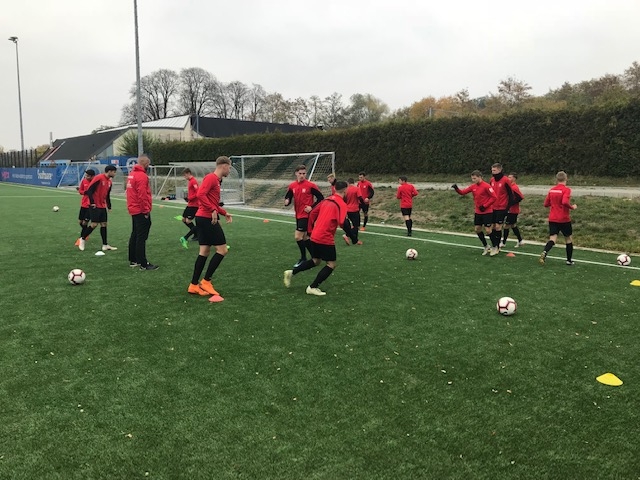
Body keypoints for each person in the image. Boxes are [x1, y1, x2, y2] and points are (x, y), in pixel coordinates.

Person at [284, 180, 349, 296]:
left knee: (316, 260)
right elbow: (342, 222)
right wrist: (352, 235)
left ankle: (292, 272)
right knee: (331, 264)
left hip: (314, 235)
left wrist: (310, 231)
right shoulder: (341, 203)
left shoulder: (326, 200)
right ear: (345, 190)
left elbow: (312, 213)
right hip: (325, 237)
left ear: (334, 189)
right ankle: (312, 287)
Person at [188, 156, 233, 300]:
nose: (229, 170)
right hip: (207, 219)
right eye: (229, 167)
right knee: (222, 250)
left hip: (203, 217)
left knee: (204, 251)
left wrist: (224, 213)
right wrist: (212, 210)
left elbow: (212, 202)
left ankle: (193, 285)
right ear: (224, 166)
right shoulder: (211, 178)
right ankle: (206, 281)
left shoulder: (216, 181)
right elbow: (200, 194)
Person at [284, 165, 324, 267]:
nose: (302, 175)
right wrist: (287, 201)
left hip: (306, 215)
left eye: (304, 173)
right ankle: (315, 257)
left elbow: (321, 198)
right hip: (298, 215)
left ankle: (303, 258)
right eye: (300, 173)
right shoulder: (292, 185)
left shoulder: (310, 185)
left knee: (298, 237)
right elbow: (289, 195)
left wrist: (312, 207)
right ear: (296, 173)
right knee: (305, 237)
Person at [452, 170, 497, 255]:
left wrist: (485, 206)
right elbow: (463, 192)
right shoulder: (473, 186)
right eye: (472, 178)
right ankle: (486, 246)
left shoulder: (486, 186)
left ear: (480, 177)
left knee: (488, 230)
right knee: (477, 229)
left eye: (475, 178)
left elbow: (494, 197)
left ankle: (495, 246)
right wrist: (456, 188)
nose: (473, 180)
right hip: (478, 212)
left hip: (487, 212)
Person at [126, 154, 158, 270]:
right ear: (146, 164)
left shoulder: (132, 174)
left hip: (133, 208)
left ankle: (133, 259)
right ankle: (143, 263)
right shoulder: (141, 176)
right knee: (141, 236)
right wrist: (146, 210)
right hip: (140, 209)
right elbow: (142, 195)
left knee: (135, 233)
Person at [539, 171, 578, 266]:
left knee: (553, 238)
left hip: (553, 218)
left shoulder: (552, 190)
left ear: (556, 179)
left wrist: (554, 204)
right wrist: (572, 207)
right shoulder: (566, 190)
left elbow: (546, 204)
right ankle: (569, 260)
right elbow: (564, 202)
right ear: (566, 178)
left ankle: (545, 251)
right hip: (564, 218)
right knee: (568, 239)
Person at [79, 165, 117, 252]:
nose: (115, 174)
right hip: (94, 205)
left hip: (102, 206)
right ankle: (82, 238)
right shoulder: (99, 178)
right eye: (114, 172)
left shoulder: (109, 182)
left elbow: (107, 195)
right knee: (94, 224)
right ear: (109, 171)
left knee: (104, 224)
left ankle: (105, 245)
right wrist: (92, 202)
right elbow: (90, 190)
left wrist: (109, 206)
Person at [489, 163, 514, 256]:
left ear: (499, 170)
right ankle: (494, 244)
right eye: (492, 170)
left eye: (494, 170)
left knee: (498, 226)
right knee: (491, 227)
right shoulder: (492, 180)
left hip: (502, 207)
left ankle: (496, 246)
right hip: (492, 207)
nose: (493, 172)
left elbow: (511, 195)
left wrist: (507, 208)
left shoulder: (505, 180)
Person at [501, 173, 525, 247]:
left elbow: (520, 197)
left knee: (506, 226)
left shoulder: (514, 187)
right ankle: (520, 240)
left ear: (514, 178)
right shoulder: (510, 186)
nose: (508, 179)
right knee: (513, 225)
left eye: (510, 177)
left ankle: (503, 242)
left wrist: (511, 203)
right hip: (510, 209)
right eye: (508, 177)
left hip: (513, 210)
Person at [74, 168, 95, 246]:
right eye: (86, 175)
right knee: (80, 222)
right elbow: (80, 191)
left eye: (88, 176)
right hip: (83, 204)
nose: (86, 177)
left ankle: (81, 238)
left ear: (92, 176)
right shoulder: (84, 181)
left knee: (85, 222)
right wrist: (84, 192)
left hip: (90, 205)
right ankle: (86, 233)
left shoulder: (95, 182)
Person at [179, 168, 199, 249]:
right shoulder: (190, 181)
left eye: (185, 175)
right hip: (190, 204)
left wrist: (190, 198)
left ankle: (189, 236)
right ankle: (196, 234)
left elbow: (198, 192)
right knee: (184, 219)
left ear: (188, 173)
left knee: (188, 221)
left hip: (194, 205)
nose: (184, 177)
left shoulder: (193, 181)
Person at [341, 178, 364, 245]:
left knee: (354, 225)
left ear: (348, 183)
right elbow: (360, 197)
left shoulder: (346, 190)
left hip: (348, 209)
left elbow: (344, 199)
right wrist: (363, 204)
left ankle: (355, 240)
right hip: (354, 209)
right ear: (353, 182)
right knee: (356, 226)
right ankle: (347, 235)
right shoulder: (356, 189)